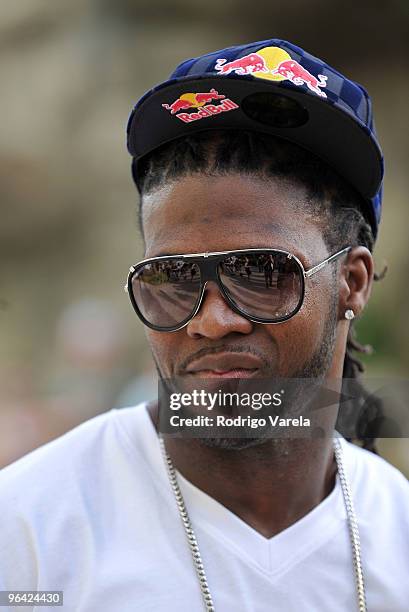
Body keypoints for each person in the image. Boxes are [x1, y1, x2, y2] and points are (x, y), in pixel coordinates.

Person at [0, 38, 408, 612]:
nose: (212, 321)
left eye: (263, 272)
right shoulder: (28, 532)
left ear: (353, 284)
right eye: (172, 277)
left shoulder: (396, 536)